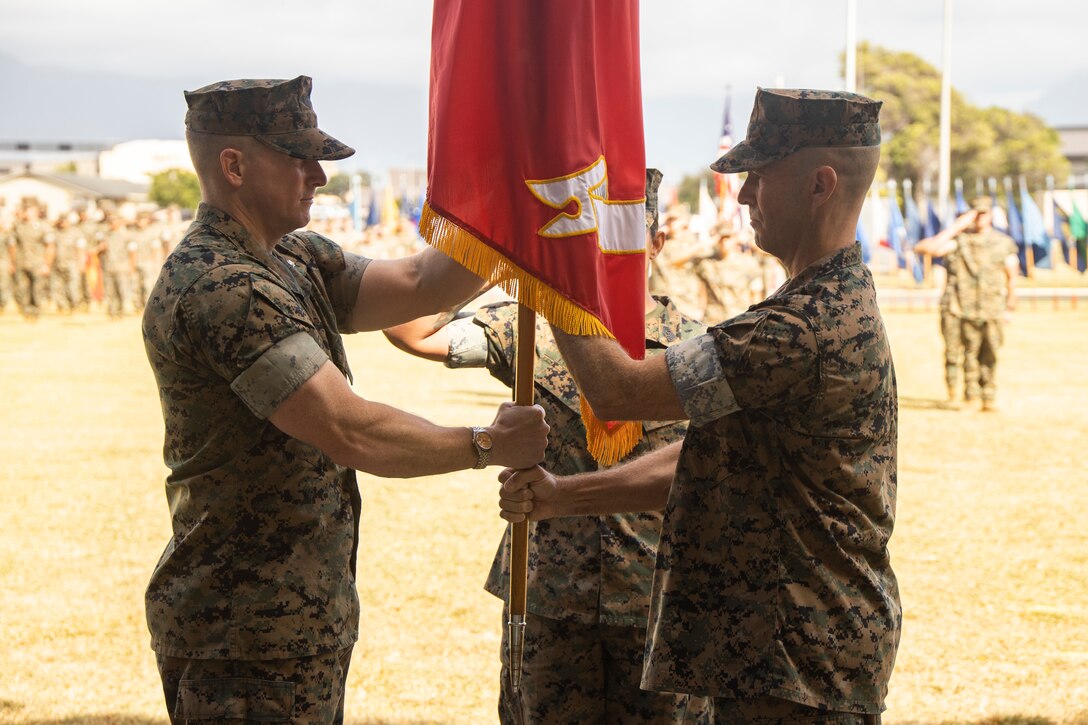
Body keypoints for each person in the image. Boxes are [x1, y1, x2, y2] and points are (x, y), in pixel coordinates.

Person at [142, 76, 549, 724]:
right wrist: (488, 444)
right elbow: (347, 428)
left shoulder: (291, 257)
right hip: (242, 628)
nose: (319, 175)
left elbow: (420, 281)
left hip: (290, 614)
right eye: (297, 156)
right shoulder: (222, 286)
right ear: (234, 165)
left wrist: (515, 213)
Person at [499, 88, 901, 724]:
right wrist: (566, 497)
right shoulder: (821, 302)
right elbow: (710, 453)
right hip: (778, 659)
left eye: (759, 177)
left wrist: (551, 262)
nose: (742, 197)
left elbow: (618, 391)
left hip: (794, 668)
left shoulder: (801, 326)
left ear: (820, 185)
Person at [384, 169, 710, 724]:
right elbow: (411, 328)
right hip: (548, 598)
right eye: (591, 237)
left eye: (626, 235)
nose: (606, 251)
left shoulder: (698, 345)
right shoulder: (530, 328)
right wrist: (511, 257)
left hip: (657, 600)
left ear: (657, 242)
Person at [914, 196, 1017, 411]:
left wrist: (1010, 306)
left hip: (992, 308)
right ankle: (966, 396)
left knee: (990, 354)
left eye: (984, 214)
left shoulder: (1002, 242)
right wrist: (957, 227)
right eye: (976, 214)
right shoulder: (960, 240)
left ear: (991, 215)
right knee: (967, 354)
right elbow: (929, 248)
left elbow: (1012, 276)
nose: (980, 218)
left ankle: (988, 396)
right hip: (961, 307)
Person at [8, 203, 55, 319]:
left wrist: (47, 264)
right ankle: (26, 312)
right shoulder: (18, 226)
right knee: (22, 289)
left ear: (36, 212)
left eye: (29, 210)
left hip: (38, 263)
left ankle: (36, 311)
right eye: (25, 210)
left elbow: (50, 246)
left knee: (37, 290)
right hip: (22, 262)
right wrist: (12, 263)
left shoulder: (43, 226)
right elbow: (12, 246)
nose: (26, 213)